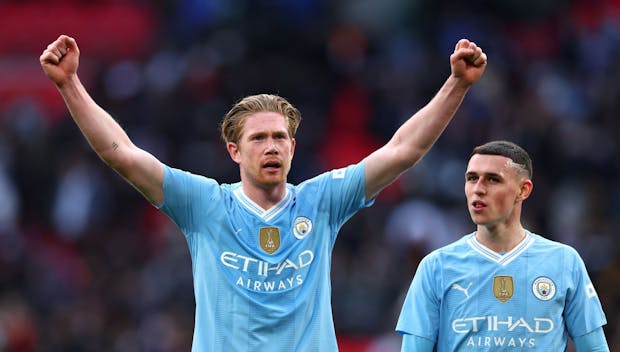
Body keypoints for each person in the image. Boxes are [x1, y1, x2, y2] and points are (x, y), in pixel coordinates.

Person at [40, 34, 486, 351]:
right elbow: (123, 154)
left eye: (279, 137)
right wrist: (69, 84)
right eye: (258, 138)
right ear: (234, 150)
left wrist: (457, 84)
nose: (271, 146)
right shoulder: (204, 204)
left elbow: (403, 150)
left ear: (293, 147)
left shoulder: (321, 200)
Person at [396, 140, 609, 351]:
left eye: (492, 179)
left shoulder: (564, 261)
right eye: (472, 178)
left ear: (523, 190)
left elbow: (595, 348)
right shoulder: (436, 266)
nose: (478, 189)